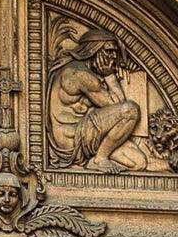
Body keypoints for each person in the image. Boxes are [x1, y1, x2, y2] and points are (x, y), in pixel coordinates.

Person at [47, 27, 143, 171]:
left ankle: (99, 156)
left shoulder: (77, 70)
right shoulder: (79, 74)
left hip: (87, 135)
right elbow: (121, 108)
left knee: (139, 163)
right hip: (73, 139)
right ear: (93, 50)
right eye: (108, 51)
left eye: (115, 53)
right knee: (131, 110)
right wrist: (109, 76)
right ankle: (100, 159)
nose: (113, 58)